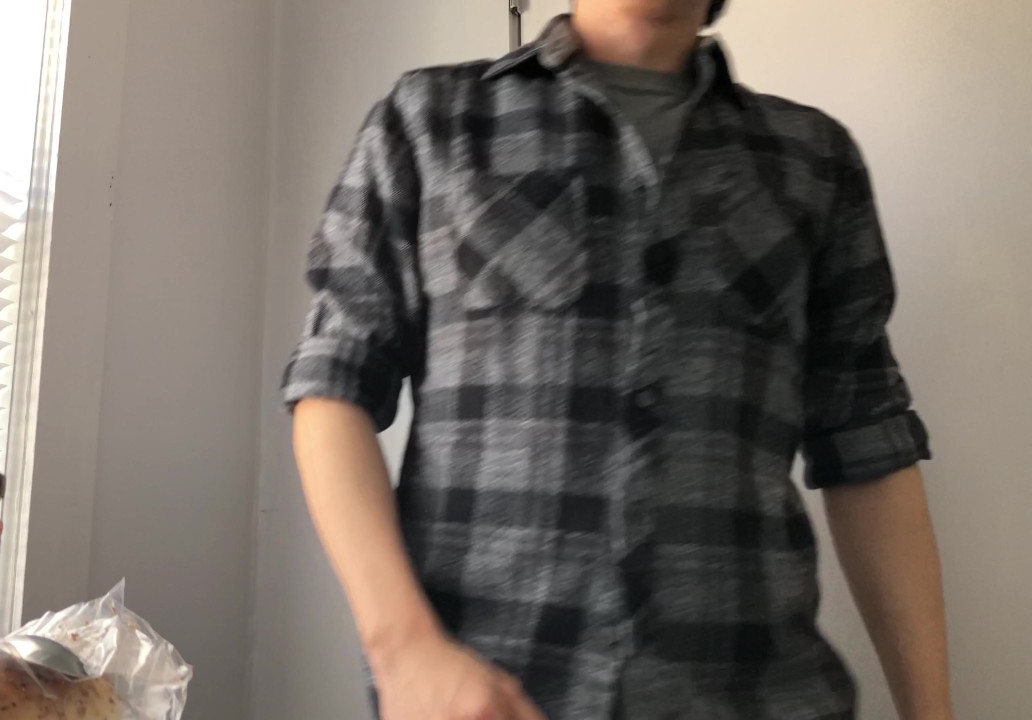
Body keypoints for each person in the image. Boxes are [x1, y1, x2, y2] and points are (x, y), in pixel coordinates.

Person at [281, 1, 953, 718]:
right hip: (493, 697)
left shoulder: (815, 160)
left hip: (761, 694)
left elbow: (868, 444)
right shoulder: (430, 120)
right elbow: (333, 384)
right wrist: (403, 649)